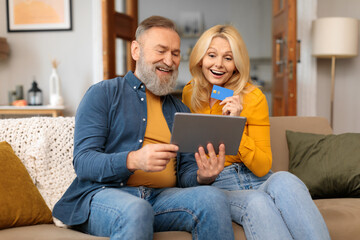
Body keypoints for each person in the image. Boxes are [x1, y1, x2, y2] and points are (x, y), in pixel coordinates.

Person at [52, 16, 235, 240]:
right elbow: (83, 162)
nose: (169, 60)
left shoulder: (181, 109)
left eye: (175, 54)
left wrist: (202, 176)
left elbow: (186, 174)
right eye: (161, 51)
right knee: (137, 209)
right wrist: (133, 160)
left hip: (161, 199)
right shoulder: (103, 94)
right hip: (106, 196)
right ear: (136, 51)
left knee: (212, 198)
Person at [181, 25, 331, 240]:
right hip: (221, 184)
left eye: (228, 58)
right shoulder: (190, 93)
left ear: (236, 64)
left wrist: (235, 126)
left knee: (286, 180)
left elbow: (262, 167)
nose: (218, 64)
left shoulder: (253, 97)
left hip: (258, 178)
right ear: (199, 59)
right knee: (257, 202)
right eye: (211, 55)